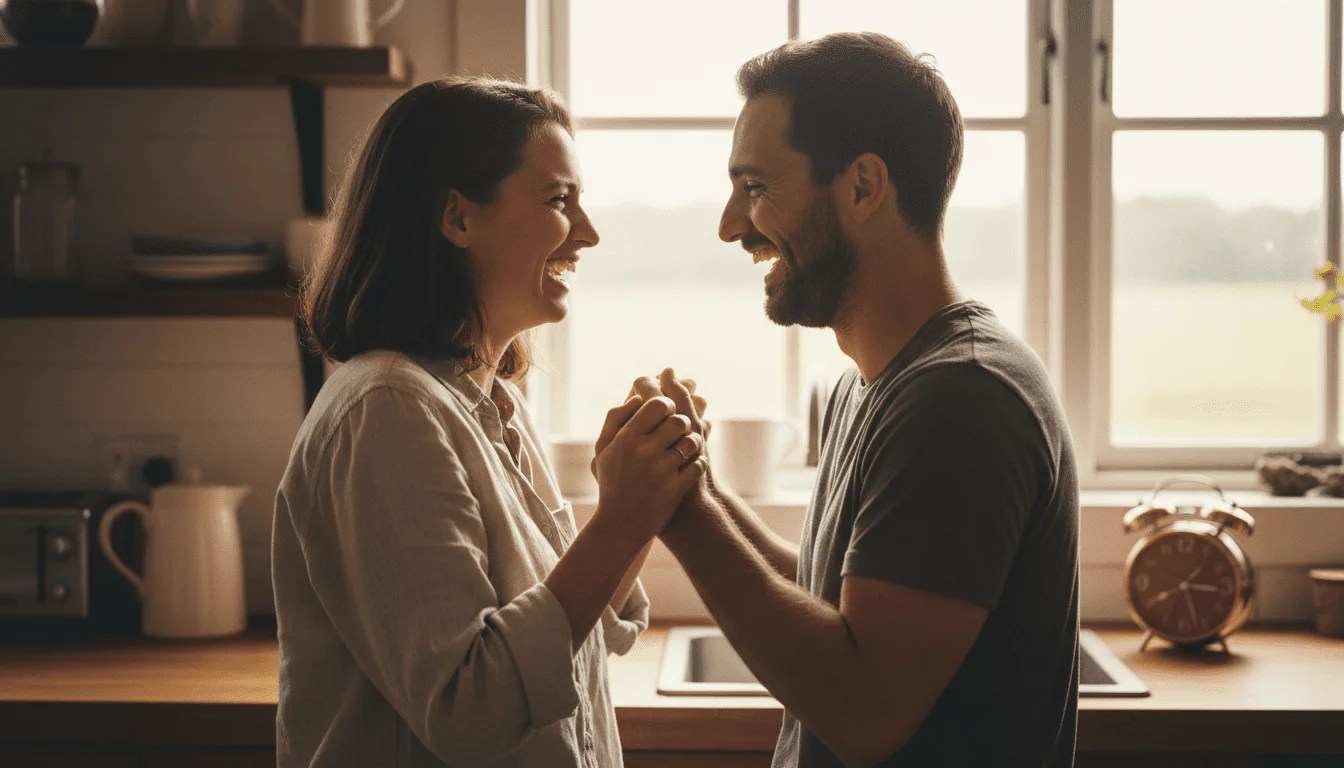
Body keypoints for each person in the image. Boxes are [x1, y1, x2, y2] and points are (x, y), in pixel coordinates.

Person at [611, 32, 1080, 766]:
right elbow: (833, 597)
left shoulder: (961, 398)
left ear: (862, 187)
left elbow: (866, 712)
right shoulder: (866, 385)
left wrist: (685, 515)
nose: (731, 226)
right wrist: (695, 483)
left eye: (755, 188)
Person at [272, 76, 707, 768]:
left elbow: (572, 635)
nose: (587, 233)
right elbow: (468, 707)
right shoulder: (385, 411)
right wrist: (621, 518)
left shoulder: (493, 404)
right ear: (457, 218)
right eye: (559, 201)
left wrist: (644, 498)